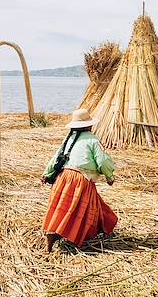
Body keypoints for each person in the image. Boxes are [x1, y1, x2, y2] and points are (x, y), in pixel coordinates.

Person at [41, 108, 118, 253]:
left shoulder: (69, 138)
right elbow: (102, 161)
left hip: (63, 178)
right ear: (89, 125)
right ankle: (77, 238)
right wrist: (110, 177)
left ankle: (51, 240)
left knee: (61, 210)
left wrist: (47, 173)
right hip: (80, 180)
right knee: (79, 211)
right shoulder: (92, 140)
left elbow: (56, 157)